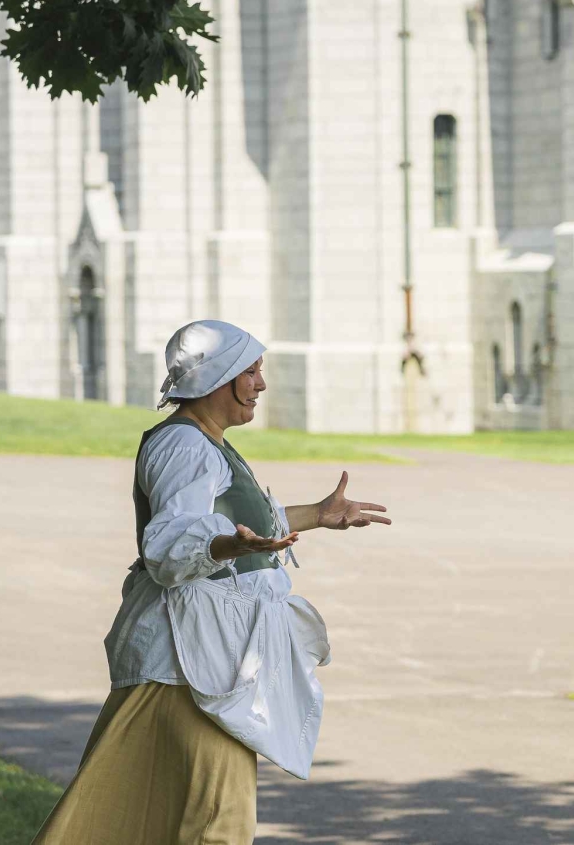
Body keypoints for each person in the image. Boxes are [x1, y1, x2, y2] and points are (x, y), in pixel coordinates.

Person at [32, 320, 392, 845]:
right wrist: (226, 546)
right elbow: (173, 543)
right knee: (216, 821)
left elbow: (231, 530)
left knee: (126, 814)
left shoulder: (202, 442)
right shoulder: (185, 446)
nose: (261, 384)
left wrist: (318, 514)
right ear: (216, 377)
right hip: (189, 666)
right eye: (250, 371)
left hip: (186, 662)